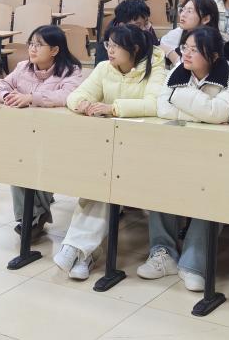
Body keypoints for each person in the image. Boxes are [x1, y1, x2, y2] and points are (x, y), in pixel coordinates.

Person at [55, 25, 167, 281]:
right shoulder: (105, 68)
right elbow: (75, 95)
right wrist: (83, 104)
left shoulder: (155, 69)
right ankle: (82, 253)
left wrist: (112, 108)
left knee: (104, 182)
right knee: (100, 183)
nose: (110, 50)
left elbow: (154, 104)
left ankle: (75, 248)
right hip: (110, 149)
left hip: (144, 151)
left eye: (116, 45)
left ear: (134, 49)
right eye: (108, 44)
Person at [144, 27, 229, 290]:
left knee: (212, 189)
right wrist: (206, 114)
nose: (186, 54)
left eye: (194, 50)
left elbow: (221, 112)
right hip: (178, 149)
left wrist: (179, 97)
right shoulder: (178, 70)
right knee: (159, 181)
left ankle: (194, 261)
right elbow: (162, 109)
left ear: (213, 55)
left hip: (220, 155)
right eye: (185, 48)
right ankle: (162, 253)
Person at [0, 25, 84, 238]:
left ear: (55, 50)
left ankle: (34, 215)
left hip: (57, 136)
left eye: (39, 45)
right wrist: (6, 96)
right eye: (30, 43)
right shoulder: (23, 67)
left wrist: (31, 98)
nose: (32, 49)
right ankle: (31, 217)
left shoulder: (71, 71)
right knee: (19, 160)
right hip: (25, 134)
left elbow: (68, 96)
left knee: (40, 160)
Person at [160, 0, 219, 66]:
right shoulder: (179, 32)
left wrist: (171, 53)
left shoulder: (212, 43)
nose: (183, 14)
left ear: (206, 19)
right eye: (183, 9)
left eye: (189, 11)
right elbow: (161, 45)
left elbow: (189, 67)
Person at [94, 0, 154, 64]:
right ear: (122, 26)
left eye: (146, 23)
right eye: (138, 26)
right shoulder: (106, 45)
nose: (144, 29)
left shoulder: (148, 34)